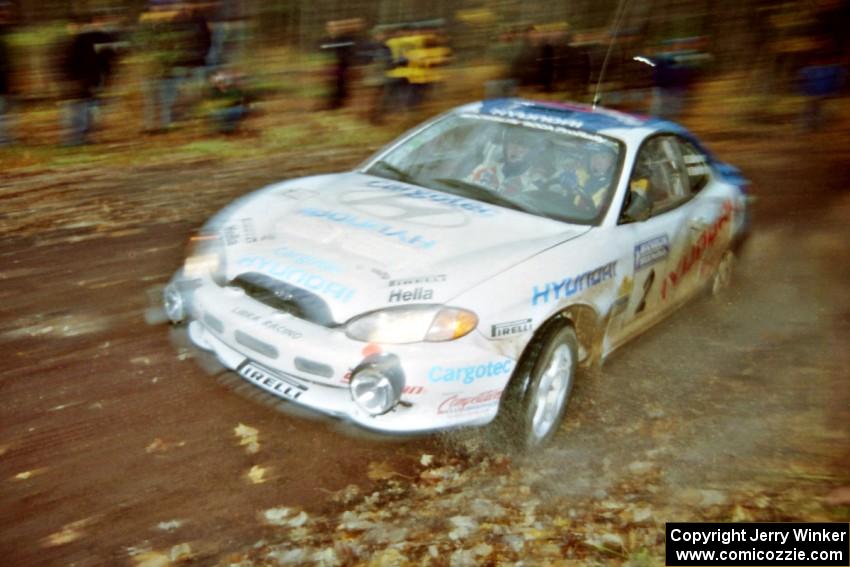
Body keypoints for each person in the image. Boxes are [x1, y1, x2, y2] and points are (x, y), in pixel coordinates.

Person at [468, 128, 547, 196]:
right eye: (512, 142)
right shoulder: (485, 169)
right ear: (505, 146)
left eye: (523, 145)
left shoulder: (535, 183)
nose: (515, 149)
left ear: (532, 152)